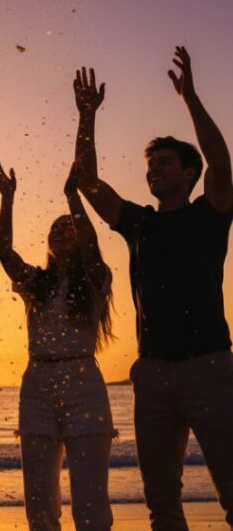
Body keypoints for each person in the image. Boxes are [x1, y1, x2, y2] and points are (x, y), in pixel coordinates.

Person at [72, 49, 233, 529]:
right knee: (161, 503)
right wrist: (86, 116)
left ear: (189, 173)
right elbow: (88, 182)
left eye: (165, 162)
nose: (154, 169)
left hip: (208, 367)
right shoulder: (139, 223)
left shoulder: (210, 214)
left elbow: (221, 161)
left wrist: (190, 98)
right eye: (151, 165)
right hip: (152, 374)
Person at [0, 159, 115, 531]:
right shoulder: (37, 284)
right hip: (37, 386)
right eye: (54, 228)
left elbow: (92, 246)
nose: (60, 231)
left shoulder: (95, 278)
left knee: (90, 503)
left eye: (68, 227)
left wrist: (72, 196)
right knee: (40, 503)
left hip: (83, 383)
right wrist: (7, 199)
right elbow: (5, 253)